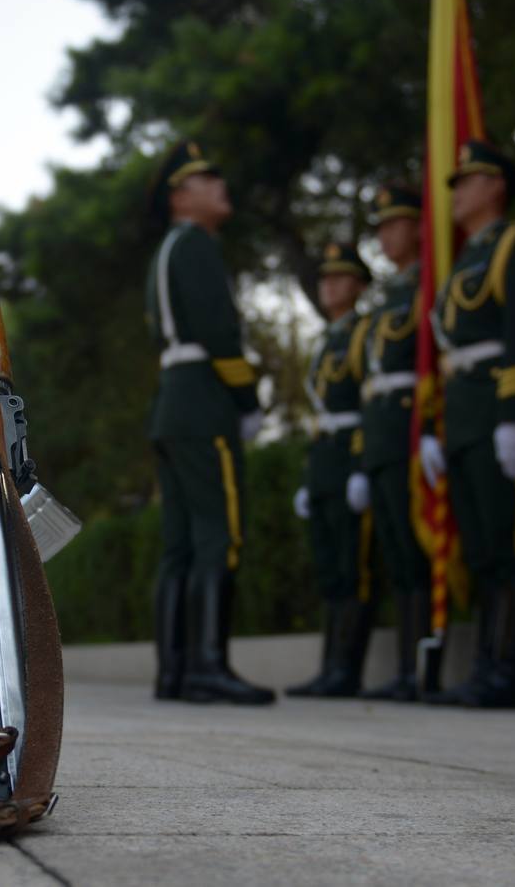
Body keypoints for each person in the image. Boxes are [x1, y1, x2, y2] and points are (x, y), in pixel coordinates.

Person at [145, 139, 273, 705]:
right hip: (204, 403)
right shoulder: (195, 244)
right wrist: (247, 401)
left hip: (174, 403)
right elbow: (220, 333)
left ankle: (175, 671)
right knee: (219, 537)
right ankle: (207, 666)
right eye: (206, 180)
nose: (221, 188)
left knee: (181, 545)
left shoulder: (167, 250)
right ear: (181, 196)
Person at [420, 141, 515, 709]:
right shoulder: (464, 261)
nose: (457, 193)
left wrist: (513, 415)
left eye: (467, 181)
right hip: (465, 417)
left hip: (496, 407)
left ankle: (509, 674)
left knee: (511, 545)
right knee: (481, 551)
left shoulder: (511, 243)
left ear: (496, 186)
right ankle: (485, 670)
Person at [347, 186, 439, 701]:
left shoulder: (427, 283)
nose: (385, 234)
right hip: (382, 432)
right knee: (398, 555)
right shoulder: (389, 295)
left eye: (395, 224)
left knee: (418, 546)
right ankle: (408, 667)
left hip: (408, 426)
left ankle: (424, 666)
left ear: (419, 228)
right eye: (380, 226)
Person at [287, 243, 376, 698]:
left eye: (340, 278)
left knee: (352, 564)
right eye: (325, 279)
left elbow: (369, 403)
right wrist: (309, 476)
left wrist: (361, 465)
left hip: (349, 456)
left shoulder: (364, 332)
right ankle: (330, 667)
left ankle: (348, 669)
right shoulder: (327, 339)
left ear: (359, 286)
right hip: (324, 460)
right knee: (329, 569)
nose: (330, 286)